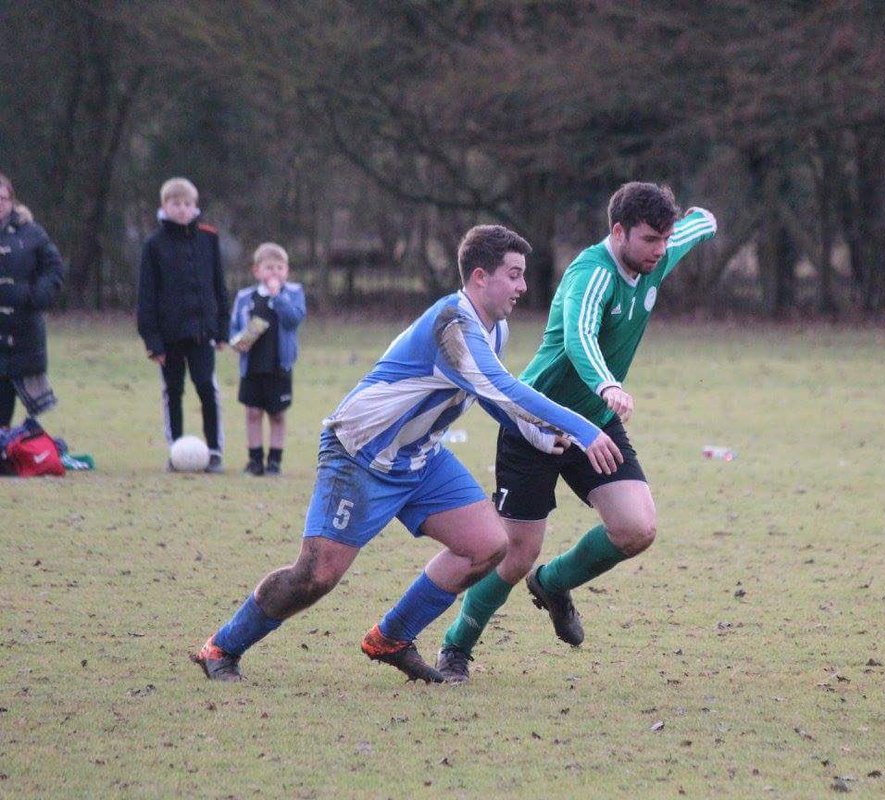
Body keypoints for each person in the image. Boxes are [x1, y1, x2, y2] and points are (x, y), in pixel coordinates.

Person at [191, 224, 624, 683]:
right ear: (480, 276)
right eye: (514, 275)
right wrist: (583, 429)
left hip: (419, 458)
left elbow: (492, 398)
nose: (523, 286)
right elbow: (503, 388)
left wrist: (538, 437)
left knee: (488, 545)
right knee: (315, 576)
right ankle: (221, 646)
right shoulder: (452, 327)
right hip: (359, 455)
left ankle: (392, 637)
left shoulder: (493, 329)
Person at [437, 182, 717, 683]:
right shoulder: (590, 274)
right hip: (537, 422)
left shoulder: (660, 251)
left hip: (594, 425)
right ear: (618, 232)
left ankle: (554, 583)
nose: (660, 250)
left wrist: (704, 220)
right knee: (515, 553)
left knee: (636, 529)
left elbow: (699, 225)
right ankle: (456, 646)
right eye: (650, 239)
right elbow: (579, 335)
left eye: (665, 240)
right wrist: (607, 384)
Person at [136, 177, 229, 473]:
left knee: (206, 388)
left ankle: (214, 450)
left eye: (187, 204)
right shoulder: (154, 245)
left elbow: (219, 286)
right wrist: (153, 341)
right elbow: (146, 296)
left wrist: (222, 329)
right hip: (169, 337)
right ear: (165, 206)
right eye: (176, 204)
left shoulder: (208, 238)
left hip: (202, 334)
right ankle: (176, 449)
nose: (182, 209)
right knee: (172, 391)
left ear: (195, 206)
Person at [230, 242, 306, 476]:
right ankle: (254, 460)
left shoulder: (293, 293)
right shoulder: (245, 297)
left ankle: (275, 461)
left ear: (287, 271)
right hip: (253, 366)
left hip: (279, 365)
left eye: (279, 268)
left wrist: (277, 297)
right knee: (252, 412)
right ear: (257, 271)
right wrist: (240, 340)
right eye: (269, 268)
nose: (275, 273)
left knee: (277, 414)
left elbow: (294, 320)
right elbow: (233, 329)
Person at [0, 173, 66, 429]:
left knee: (31, 409)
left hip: (24, 331)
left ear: (12, 201)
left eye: (3, 199)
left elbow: (54, 269)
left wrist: (38, 295)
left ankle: (22, 449)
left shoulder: (32, 233)